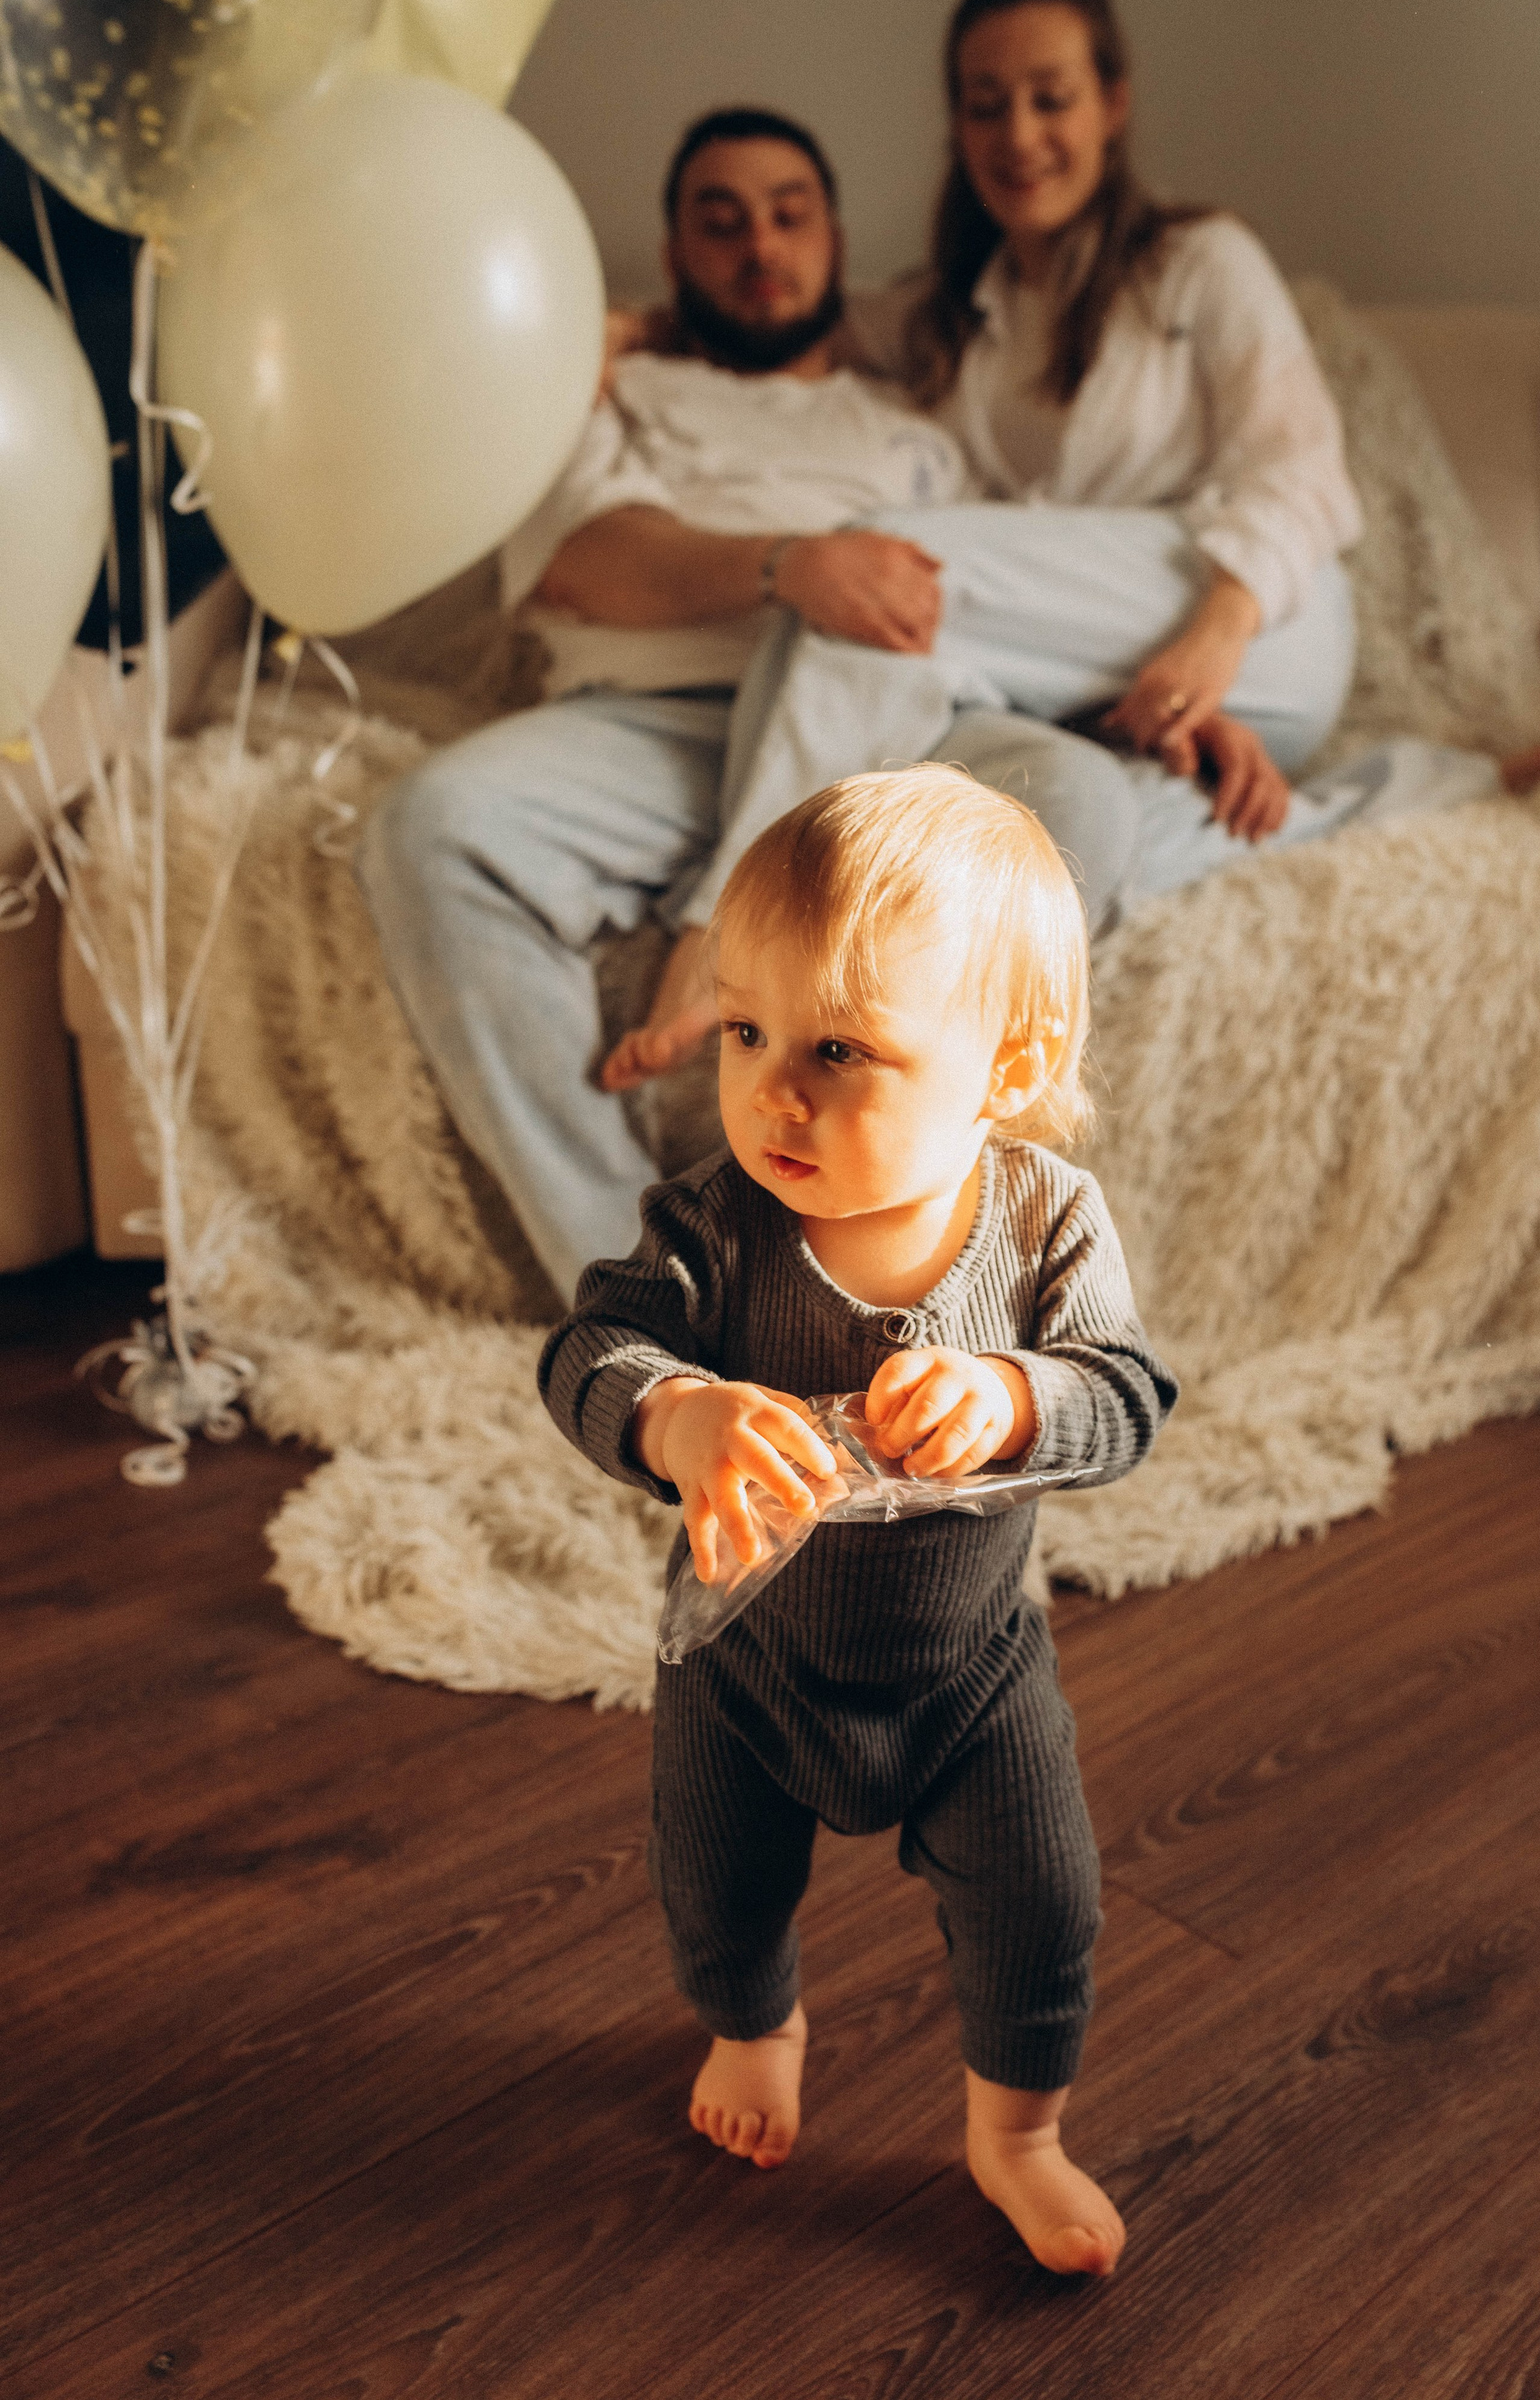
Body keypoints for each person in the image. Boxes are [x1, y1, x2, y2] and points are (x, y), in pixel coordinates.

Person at [612, 0, 1540, 1082]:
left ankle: (727, 928)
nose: (1018, 135)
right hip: (1111, 678)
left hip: (1258, 624)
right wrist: (619, 334)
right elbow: (780, 303)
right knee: (1081, 827)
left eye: (1051, 97)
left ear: (1113, 104)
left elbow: (1301, 468)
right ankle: (1446, 783)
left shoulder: (1199, 264)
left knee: (886, 567)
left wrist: (1214, 640)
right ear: (957, 126)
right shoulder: (951, 320)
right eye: (986, 106)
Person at [540, 768, 1178, 2275]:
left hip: (968, 1675)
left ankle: (1015, 2132)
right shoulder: (709, 1224)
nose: (772, 1091)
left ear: (1005, 1066)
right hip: (746, 1662)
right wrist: (675, 1415)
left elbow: (1128, 1395)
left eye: (840, 1050)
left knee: (1042, 1904)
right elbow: (586, 1351)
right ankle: (755, 2030)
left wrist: (1019, 1398)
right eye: (745, 1031)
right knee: (712, 1884)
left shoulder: (1044, 1224)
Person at [358, 104, 1134, 1300]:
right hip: (653, 726)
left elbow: (1007, 598)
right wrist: (789, 566)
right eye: (720, 223)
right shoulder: (608, 392)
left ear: (834, 241)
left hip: (900, 736)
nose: (759, 247)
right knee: (429, 826)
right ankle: (633, 1292)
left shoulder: (916, 425)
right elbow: (584, 558)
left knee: (1074, 792)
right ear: (673, 257)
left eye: (789, 215)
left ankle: (829, 1245)